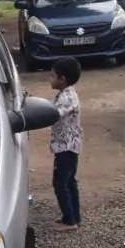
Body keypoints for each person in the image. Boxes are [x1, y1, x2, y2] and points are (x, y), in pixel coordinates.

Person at [50, 57, 83, 231]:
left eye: (52, 76)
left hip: (66, 146)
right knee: (70, 182)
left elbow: (52, 114)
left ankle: (69, 221)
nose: (49, 78)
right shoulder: (67, 93)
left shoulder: (66, 98)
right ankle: (74, 217)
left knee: (60, 183)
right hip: (70, 145)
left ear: (62, 79)